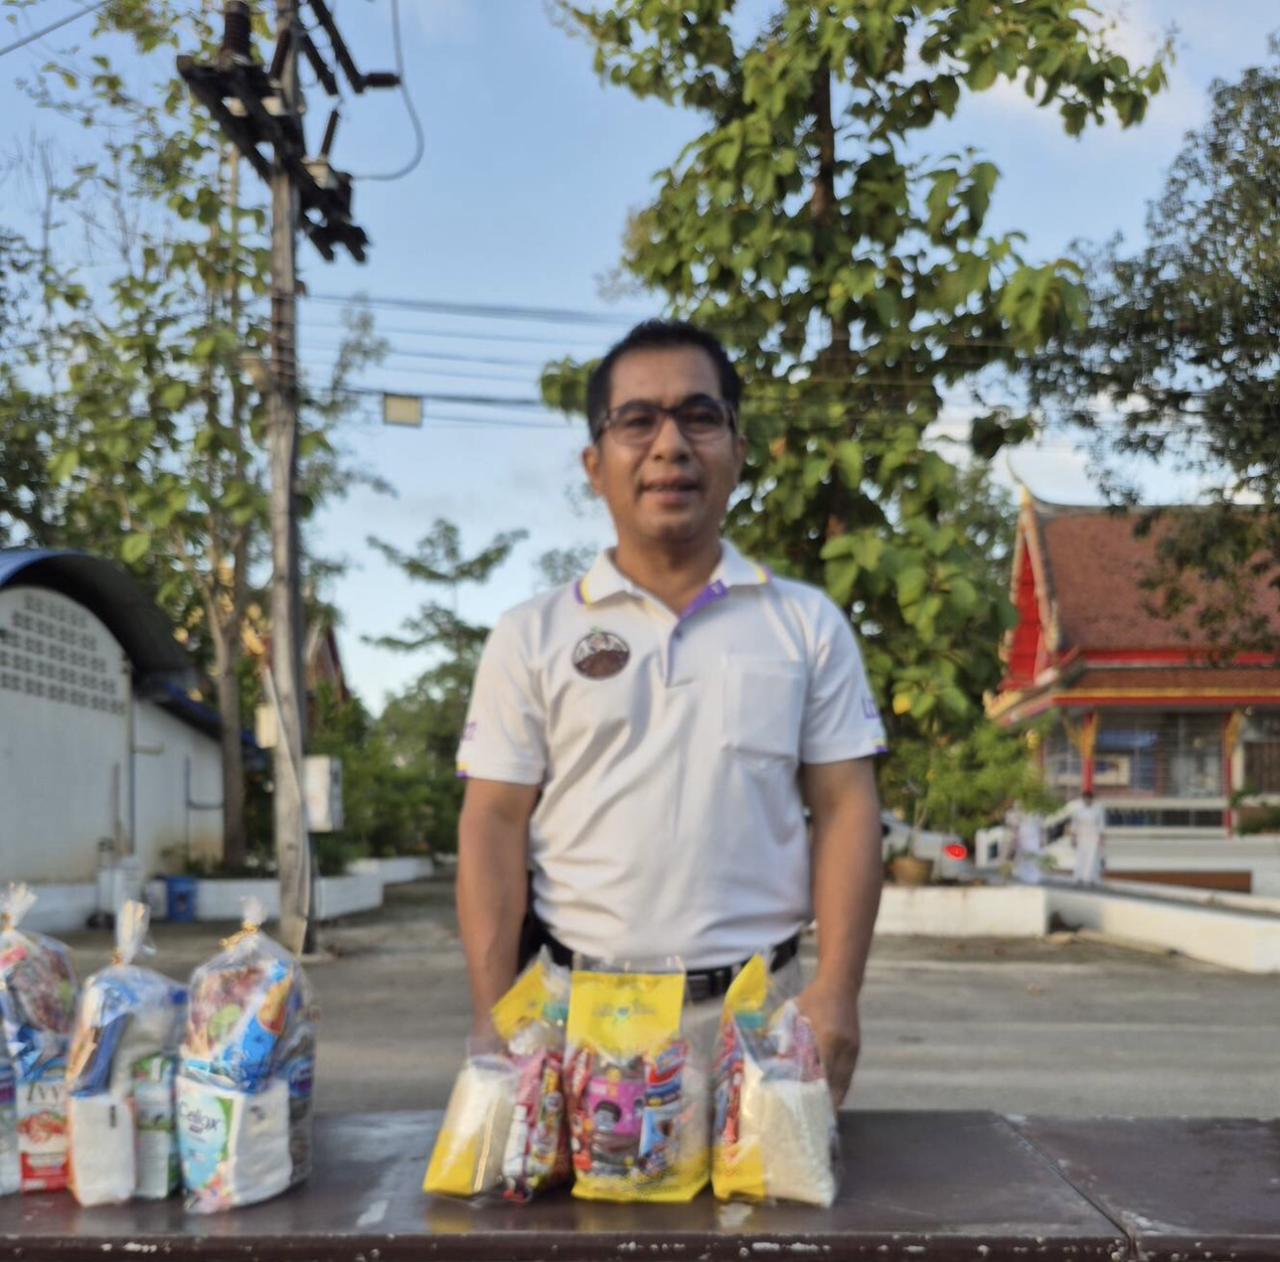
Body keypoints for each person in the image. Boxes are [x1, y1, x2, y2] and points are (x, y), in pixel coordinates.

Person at [454, 319, 887, 1105]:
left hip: (763, 1018)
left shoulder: (805, 624)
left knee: (777, 1193)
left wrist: (838, 990)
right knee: (569, 1196)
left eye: (699, 416)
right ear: (595, 465)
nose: (670, 446)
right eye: (637, 421)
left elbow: (846, 806)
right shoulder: (532, 634)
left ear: (738, 452)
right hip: (574, 1021)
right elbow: (493, 821)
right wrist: (491, 1016)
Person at [1069, 790, 1107, 884]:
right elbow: (1074, 824)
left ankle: (1090, 877)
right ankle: (1079, 876)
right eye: (1085, 799)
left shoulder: (1098, 809)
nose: (1087, 800)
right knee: (1081, 856)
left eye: (1089, 799)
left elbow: (1101, 825)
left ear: (1092, 799)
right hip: (1081, 835)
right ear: (1083, 799)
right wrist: (1073, 838)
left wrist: (1102, 838)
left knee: (1092, 857)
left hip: (1093, 836)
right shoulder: (1078, 809)